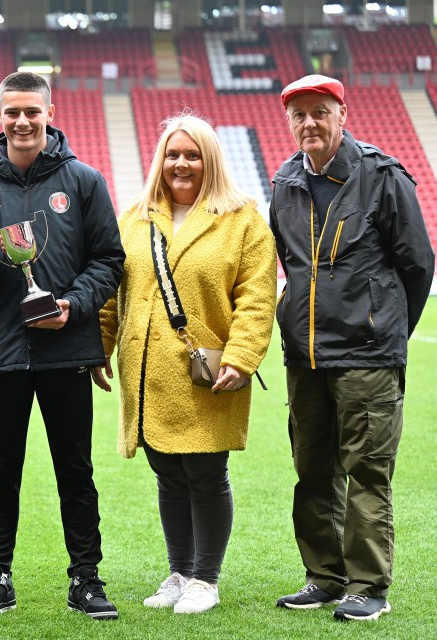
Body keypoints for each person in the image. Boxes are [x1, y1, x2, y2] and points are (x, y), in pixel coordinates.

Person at [0, 71, 124, 619]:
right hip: (1, 354)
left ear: (49, 113)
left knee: (75, 468)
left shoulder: (84, 180)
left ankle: (86, 579)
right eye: (11, 112)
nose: (22, 121)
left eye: (31, 111)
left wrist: (73, 305)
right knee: (1, 471)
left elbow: (110, 262)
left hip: (67, 350)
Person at [95, 114, 277, 615]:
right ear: (160, 160)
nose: (181, 163)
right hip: (147, 373)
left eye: (192, 154)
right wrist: (100, 347)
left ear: (210, 161)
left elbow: (256, 299)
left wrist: (241, 357)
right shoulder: (135, 217)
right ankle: (179, 572)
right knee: (167, 473)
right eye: (173, 154)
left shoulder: (242, 220)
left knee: (205, 472)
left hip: (207, 375)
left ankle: (206, 579)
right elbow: (112, 293)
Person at [271, 75, 434, 621]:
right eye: (299, 115)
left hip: (367, 356)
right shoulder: (286, 181)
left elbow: (417, 265)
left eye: (320, 112)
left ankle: (368, 588)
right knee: (312, 471)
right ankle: (324, 576)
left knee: (366, 474)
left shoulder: (383, 176)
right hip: (306, 356)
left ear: (343, 113)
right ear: (289, 122)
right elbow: (290, 268)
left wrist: (382, 329)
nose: (309, 123)